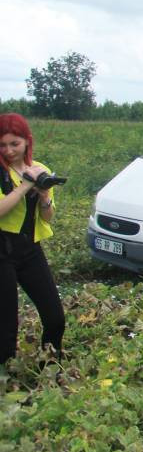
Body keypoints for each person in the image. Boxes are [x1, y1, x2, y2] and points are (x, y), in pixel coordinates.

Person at [0, 114, 65, 364]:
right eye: (2, 145)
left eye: (14, 144)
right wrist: (24, 186)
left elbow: (47, 217)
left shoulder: (40, 170)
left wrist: (45, 194)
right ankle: (6, 382)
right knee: (6, 325)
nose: (8, 151)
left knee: (54, 317)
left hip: (29, 249)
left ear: (27, 141)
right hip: (2, 249)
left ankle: (50, 366)